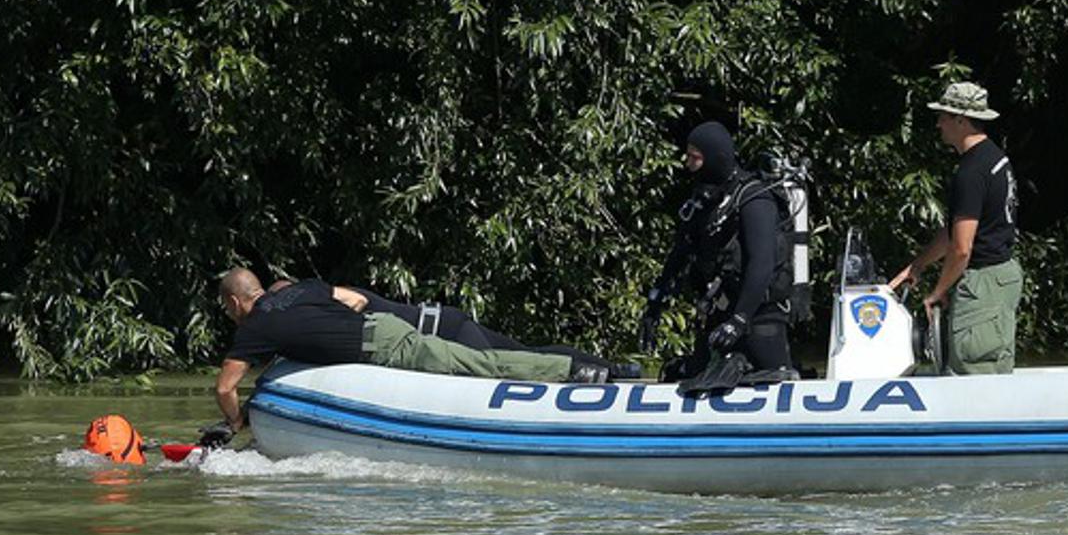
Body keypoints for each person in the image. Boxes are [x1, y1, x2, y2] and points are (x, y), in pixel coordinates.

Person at [211, 270, 613, 438]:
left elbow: (225, 387)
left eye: (227, 310)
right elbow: (354, 300)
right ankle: (589, 366)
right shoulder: (303, 289)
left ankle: (576, 370)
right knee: (492, 356)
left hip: (387, 346)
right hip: (382, 328)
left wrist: (235, 421)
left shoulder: (255, 327)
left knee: (481, 364)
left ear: (234, 301)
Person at [640, 119, 795, 381]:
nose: (688, 163)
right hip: (718, 316)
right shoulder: (705, 201)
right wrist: (655, 304)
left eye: (695, 157)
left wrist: (739, 320)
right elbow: (680, 253)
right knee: (693, 377)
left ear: (715, 157)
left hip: (759, 318)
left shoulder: (754, 198)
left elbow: (762, 263)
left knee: (768, 379)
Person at [887, 81, 1022, 375]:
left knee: (974, 371)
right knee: (991, 367)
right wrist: (917, 266)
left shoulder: (971, 172)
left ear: (961, 120)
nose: (938, 124)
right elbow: (954, 232)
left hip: (982, 284)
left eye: (943, 117)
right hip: (1001, 277)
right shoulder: (995, 158)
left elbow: (961, 248)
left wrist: (938, 292)